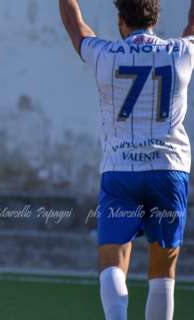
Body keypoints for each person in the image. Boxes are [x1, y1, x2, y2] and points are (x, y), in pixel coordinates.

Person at [59, 0, 194, 319]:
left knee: (112, 265)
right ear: (155, 18)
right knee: (163, 276)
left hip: (122, 171)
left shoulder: (105, 55)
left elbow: (76, 27)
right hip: (169, 169)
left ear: (121, 19)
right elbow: (192, 24)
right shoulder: (181, 51)